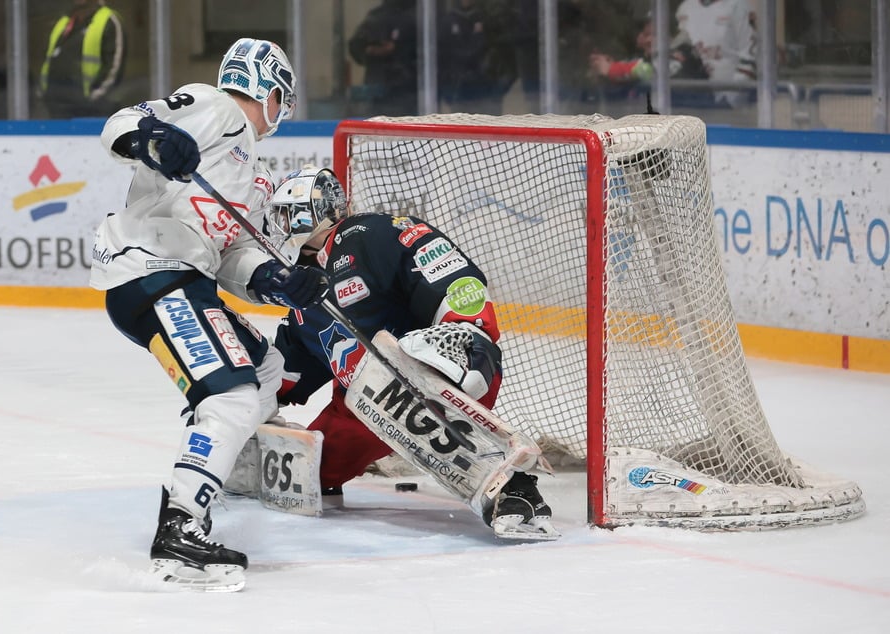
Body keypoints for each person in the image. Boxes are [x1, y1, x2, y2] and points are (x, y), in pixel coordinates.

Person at [89, 38, 328, 589]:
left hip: (182, 277)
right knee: (231, 395)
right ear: (270, 92)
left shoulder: (244, 166)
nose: (282, 113)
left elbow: (229, 258)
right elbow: (121, 124)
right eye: (282, 99)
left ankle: (209, 461)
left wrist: (274, 280)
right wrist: (151, 139)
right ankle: (181, 526)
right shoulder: (215, 106)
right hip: (153, 272)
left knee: (266, 369)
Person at [263, 165, 558, 540]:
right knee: (307, 470)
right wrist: (244, 386)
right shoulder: (303, 292)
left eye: (288, 214)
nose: (281, 226)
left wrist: (467, 330)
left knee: (400, 386)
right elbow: (289, 371)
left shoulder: (371, 234)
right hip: (361, 406)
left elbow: (450, 276)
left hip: (430, 377)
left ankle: (515, 489)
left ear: (315, 212)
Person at [38, 0, 126, 118]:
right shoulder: (63, 23)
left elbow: (114, 68)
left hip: (92, 112)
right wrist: (44, 93)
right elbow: (48, 60)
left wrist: (90, 99)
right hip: (56, 109)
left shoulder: (108, 20)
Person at [437, 0, 515, 115]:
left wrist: (499, 89)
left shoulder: (490, 20)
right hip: (458, 87)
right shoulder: (448, 21)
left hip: (487, 87)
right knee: (461, 125)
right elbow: (443, 56)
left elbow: (505, 54)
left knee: (490, 126)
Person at [675, 0, 758, 107]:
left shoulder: (739, 6)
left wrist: (731, 99)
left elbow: (750, 54)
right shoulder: (685, 7)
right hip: (691, 98)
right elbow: (677, 51)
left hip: (730, 104)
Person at [589, 16, 708, 86]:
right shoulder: (648, 57)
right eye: (642, 34)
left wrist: (612, 70)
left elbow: (650, 71)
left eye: (649, 35)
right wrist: (603, 68)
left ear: (670, 37)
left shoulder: (683, 53)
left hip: (699, 118)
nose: (641, 40)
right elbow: (636, 65)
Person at [347, 0, 418, 117]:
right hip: (377, 90)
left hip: (407, 92)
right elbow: (356, 46)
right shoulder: (376, 17)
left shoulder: (417, 16)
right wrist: (370, 50)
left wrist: (398, 49)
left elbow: (426, 52)